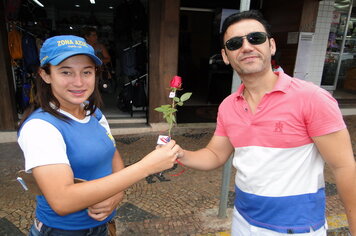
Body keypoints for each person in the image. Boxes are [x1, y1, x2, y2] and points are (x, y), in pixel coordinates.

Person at [175, 10, 356, 235]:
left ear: (271, 46)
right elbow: (214, 155)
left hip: (296, 227)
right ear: (225, 55)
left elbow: (344, 167)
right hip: (243, 220)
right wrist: (180, 154)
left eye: (255, 38)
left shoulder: (312, 98)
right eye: (234, 43)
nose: (247, 47)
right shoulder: (228, 105)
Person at [17, 35, 180, 236]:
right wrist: (146, 167)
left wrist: (117, 194)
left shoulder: (92, 112)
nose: (78, 82)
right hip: (63, 231)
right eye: (66, 72)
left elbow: (112, 154)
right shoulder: (40, 128)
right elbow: (62, 200)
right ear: (45, 75)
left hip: (102, 226)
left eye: (86, 72)